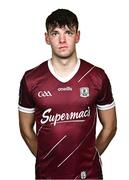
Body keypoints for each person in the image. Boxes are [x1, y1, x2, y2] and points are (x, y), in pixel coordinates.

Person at [18, 9, 117, 179]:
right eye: (55, 33)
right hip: (47, 175)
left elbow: (110, 126)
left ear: (77, 36)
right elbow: (26, 129)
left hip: (89, 175)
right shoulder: (31, 79)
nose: (62, 40)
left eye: (68, 32)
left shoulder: (96, 77)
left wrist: (93, 155)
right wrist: (46, 158)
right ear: (47, 38)